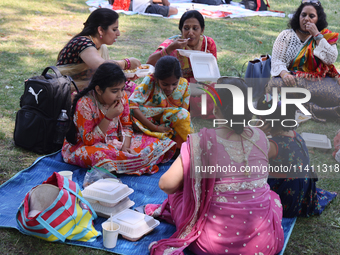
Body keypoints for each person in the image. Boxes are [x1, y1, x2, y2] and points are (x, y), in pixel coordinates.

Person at [145, 78, 284, 255]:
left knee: (180, 194)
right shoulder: (261, 137)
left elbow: (166, 185)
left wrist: (191, 180)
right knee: (271, 197)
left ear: (216, 109)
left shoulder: (200, 143)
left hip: (213, 244)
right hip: (263, 244)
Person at [62, 62, 176, 175]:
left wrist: (125, 147)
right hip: (89, 145)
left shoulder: (122, 97)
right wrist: (108, 117)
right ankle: (137, 162)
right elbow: (88, 140)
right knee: (100, 156)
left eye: (122, 89)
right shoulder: (85, 104)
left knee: (157, 143)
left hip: (116, 142)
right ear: (99, 90)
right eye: (114, 91)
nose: (120, 95)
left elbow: (126, 126)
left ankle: (130, 161)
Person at [257, 93, 337, 217]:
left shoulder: (272, 146)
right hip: (303, 193)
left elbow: (250, 159)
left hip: (286, 198)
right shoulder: (295, 135)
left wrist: (258, 135)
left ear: (263, 121)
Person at [267, 0, 340, 122]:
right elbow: (277, 61)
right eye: (303, 15)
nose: (306, 19)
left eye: (312, 16)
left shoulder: (325, 36)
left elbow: (331, 58)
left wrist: (317, 35)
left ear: (318, 19)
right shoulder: (286, 35)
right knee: (274, 85)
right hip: (293, 82)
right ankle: (318, 109)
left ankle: (304, 107)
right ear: (298, 16)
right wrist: (284, 74)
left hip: (317, 82)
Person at [147, 10, 217, 119]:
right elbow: (150, 62)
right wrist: (170, 49)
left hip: (201, 86)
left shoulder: (208, 44)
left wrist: (205, 59)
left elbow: (212, 74)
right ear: (181, 30)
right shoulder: (173, 43)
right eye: (186, 28)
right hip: (177, 88)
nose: (190, 33)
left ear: (202, 30)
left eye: (195, 28)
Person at [56, 8, 141, 91]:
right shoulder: (82, 42)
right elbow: (101, 66)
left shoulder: (101, 46)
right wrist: (126, 63)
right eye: (114, 29)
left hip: (87, 89)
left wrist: (124, 76)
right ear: (100, 30)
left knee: (130, 87)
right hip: (69, 93)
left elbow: (104, 75)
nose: (118, 33)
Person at [129, 56, 191, 149]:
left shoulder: (185, 85)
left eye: (174, 84)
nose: (170, 88)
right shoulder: (150, 80)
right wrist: (155, 128)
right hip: (148, 122)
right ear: (157, 78)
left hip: (169, 124)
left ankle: (182, 149)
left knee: (183, 115)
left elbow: (182, 113)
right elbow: (132, 104)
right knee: (135, 111)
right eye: (165, 84)